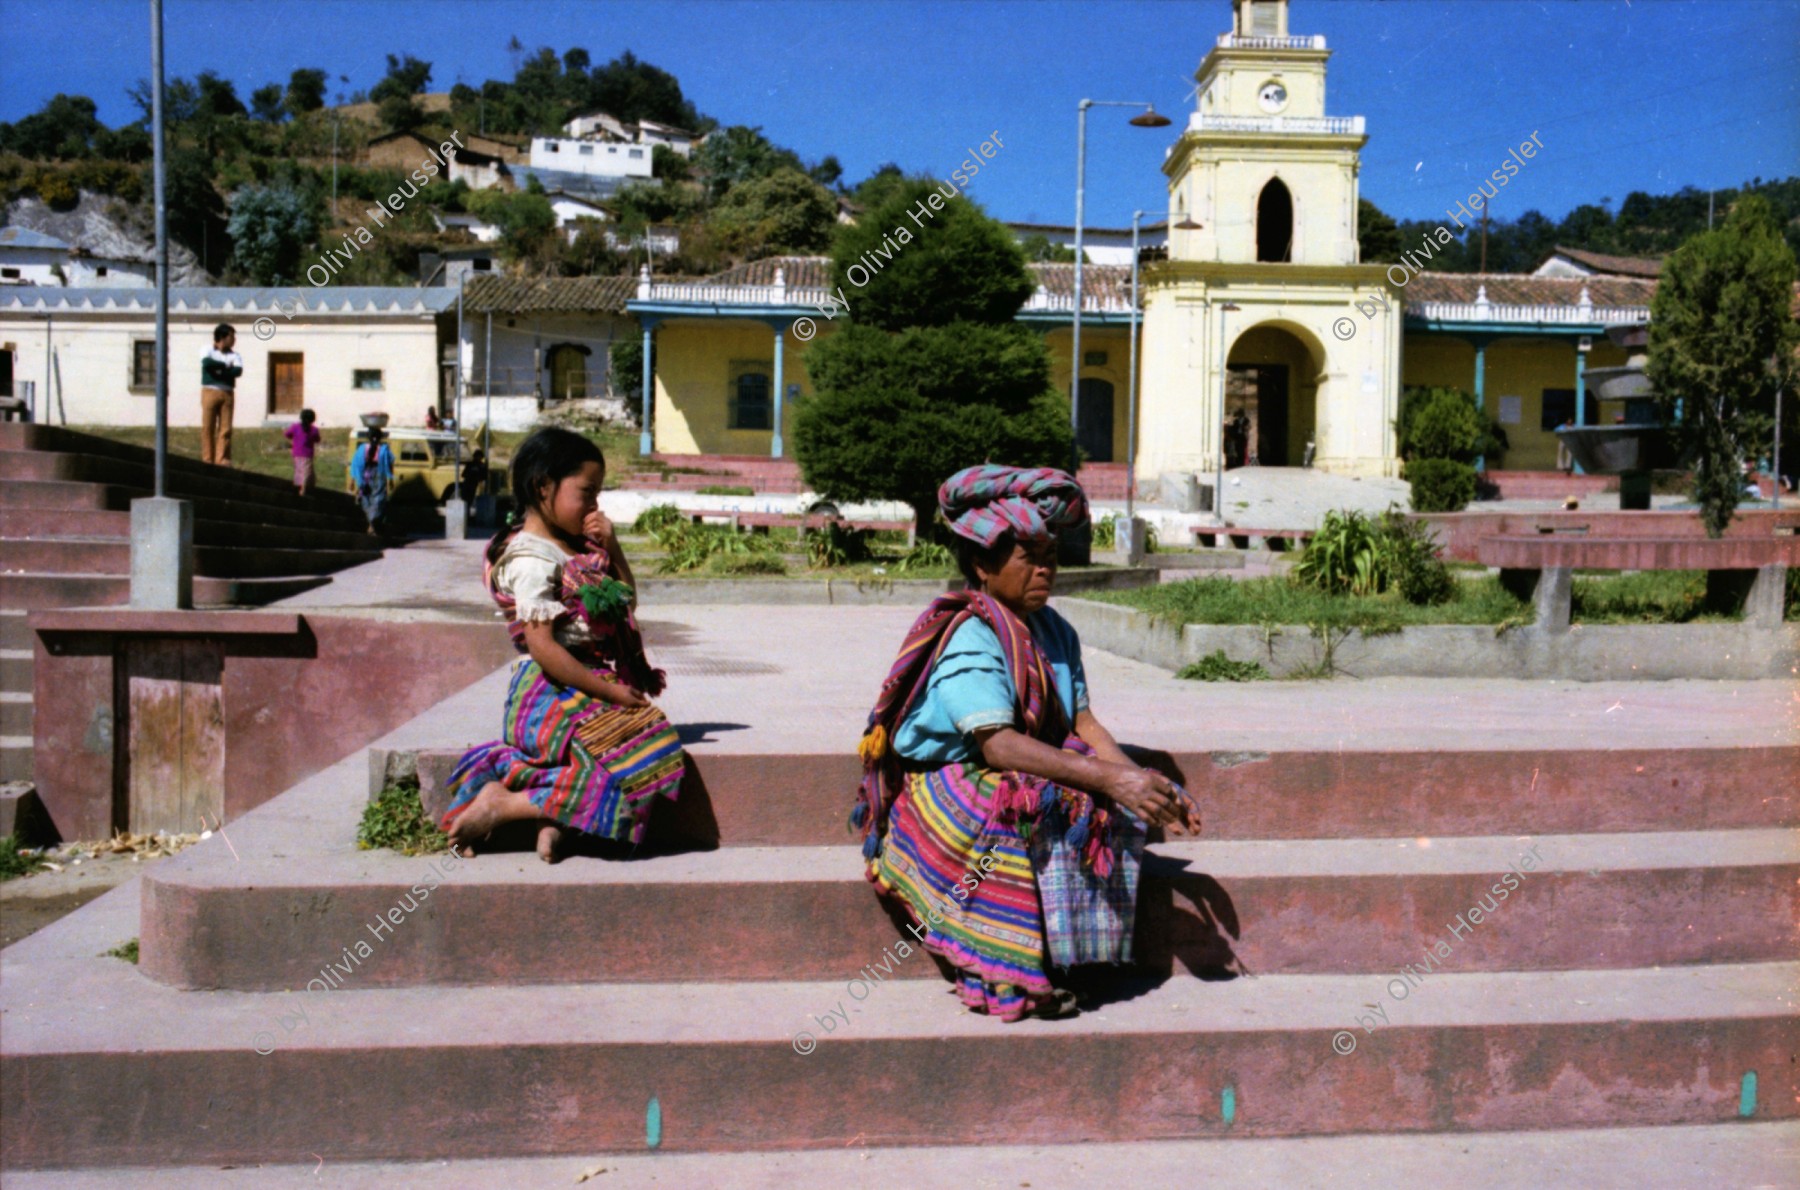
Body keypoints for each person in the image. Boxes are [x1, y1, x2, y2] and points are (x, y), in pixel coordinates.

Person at [854, 464, 1201, 1022]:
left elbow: (1082, 723)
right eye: (1028, 558)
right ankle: (1007, 972)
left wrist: (1143, 781)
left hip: (1013, 762)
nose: (1046, 570)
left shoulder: (1055, 630)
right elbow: (999, 748)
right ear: (981, 566)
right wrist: (1112, 777)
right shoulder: (969, 633)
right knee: (1015, 801)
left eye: (1052, 558)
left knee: (1084, 798)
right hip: (948, 778)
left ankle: (1075, 958)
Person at [440, 427, 687, 863]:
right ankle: (507, 804)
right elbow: (543, 647)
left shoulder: (572, 548)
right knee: (636, 768)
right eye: (587, 493)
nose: (595, 506)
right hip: (550, 691)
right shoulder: (531, 558)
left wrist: (612, 545)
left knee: (649, 754)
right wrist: (610, 691)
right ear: (543, 487)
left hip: (583, 681)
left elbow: (624, 599)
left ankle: (552, 821)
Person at [199, 323, 242, 467]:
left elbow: (237, 371)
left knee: (225, 428)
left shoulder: (235, 355)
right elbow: (207, 363)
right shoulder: (207, 350)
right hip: (210, 391)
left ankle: (222, 458)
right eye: (231, 336)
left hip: (227, 392)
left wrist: (219, 371)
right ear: (222, 337)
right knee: (208, 426)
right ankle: (207, 458)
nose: (234, 339)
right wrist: (225, 367)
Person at [350, 428, 393, 535]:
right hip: (379, 476)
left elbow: (355, 465)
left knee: (366, 499)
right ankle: (372, 523)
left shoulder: (362, 449)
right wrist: (390, 480)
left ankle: (371, 523)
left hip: (366, 476)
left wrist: (352, 481)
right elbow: (390, 465)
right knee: (378, 499)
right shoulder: (384, 449)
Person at [283, 409, 321, 496]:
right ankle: (304, 489)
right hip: (307, 454)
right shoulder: (314, 430)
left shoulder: (295, 427)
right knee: (307, 472)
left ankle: (299, 487)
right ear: (313, 419)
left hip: (296, 453)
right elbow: (318, 439)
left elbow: (287, 434)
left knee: (299, 470)